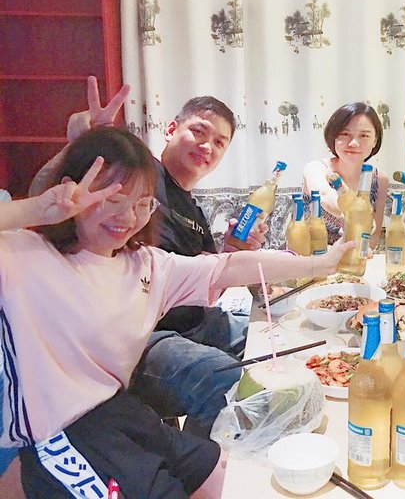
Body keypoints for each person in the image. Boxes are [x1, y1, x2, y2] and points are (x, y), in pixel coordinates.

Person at [0, 127, 352, 498]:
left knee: (230, 475)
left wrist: (319, 264)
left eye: (142, 204)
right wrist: (36, 209)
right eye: (113, 199)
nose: (127, 217)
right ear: (71, 190)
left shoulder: (145, 265)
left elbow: (229, 266)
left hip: (121, 411)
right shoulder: (23, 255)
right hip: (59, 434)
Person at [29, 77, 267, 438]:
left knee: (269, 338)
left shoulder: (191, 208)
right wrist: (82, 144)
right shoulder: (142, 175)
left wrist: (234, 249)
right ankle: (195, 463)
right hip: (142, 334)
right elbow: (45, 194)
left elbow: (198, 272)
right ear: (171, 130)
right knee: (226, 379)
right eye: (199, 131)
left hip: (194, 323)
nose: (207, 146)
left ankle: (204, 444)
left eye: (220, 142)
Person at [302, 102, 389, 246]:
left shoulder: (379, 179)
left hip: (353, 257)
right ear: (333, 136)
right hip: (310, 256)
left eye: (364, 135)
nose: (354, 143)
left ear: (375, 141)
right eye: (345, 134)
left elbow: (373, 238)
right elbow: (324, 195)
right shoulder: (316, 168)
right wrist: (354, 217)